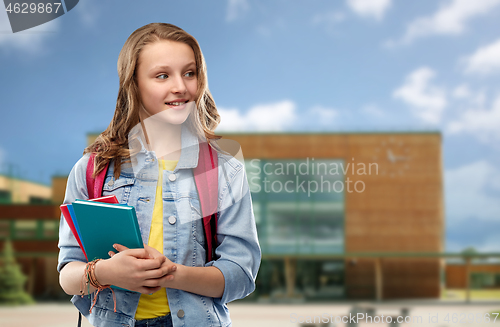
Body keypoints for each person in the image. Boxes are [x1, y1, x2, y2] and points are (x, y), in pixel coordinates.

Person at [57, 22, 261, 327]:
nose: (180, 86)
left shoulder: (224, 170)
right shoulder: (91, 169)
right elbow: (67, 274)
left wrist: (172, 274)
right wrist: (105, 273)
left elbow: (241, 275)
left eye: (189, 73)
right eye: (162, 75)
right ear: (134, 83)